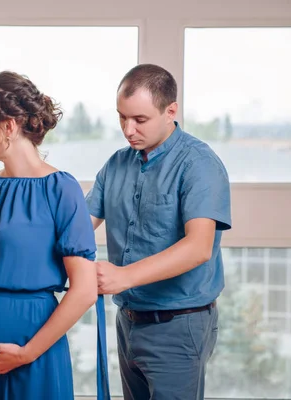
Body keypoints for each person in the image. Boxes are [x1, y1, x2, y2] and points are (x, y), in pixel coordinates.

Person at [0, 71, 110, 400]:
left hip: (29, 358)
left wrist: (27, 353)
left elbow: (84, 290)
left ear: (8, 126)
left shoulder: (61, 189)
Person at [85, 63, 232, 400]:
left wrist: (124, 277)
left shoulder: (199, 164)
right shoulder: (116, 165)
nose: (127, 129)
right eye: (122, 117)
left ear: (171, 111)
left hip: (179, 325)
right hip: (128, 322)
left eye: (139, 119)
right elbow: (78, 226)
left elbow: (198, 248)